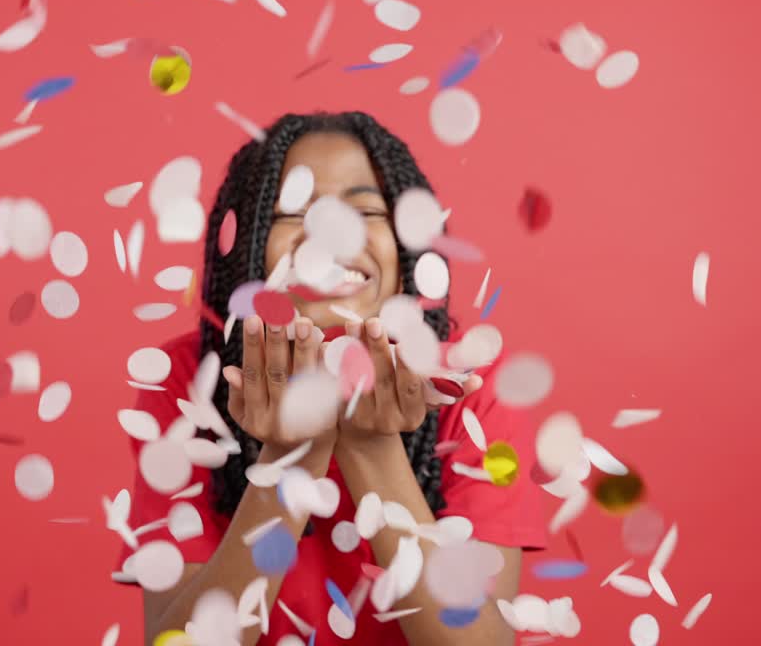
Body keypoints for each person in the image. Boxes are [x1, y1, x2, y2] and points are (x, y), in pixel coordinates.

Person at [115, 112, 548, 646]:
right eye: (292, 213)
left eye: (366, 209)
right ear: (246, 237)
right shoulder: (188, 381)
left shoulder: (469, 383)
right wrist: (289, 459)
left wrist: (370, 444)